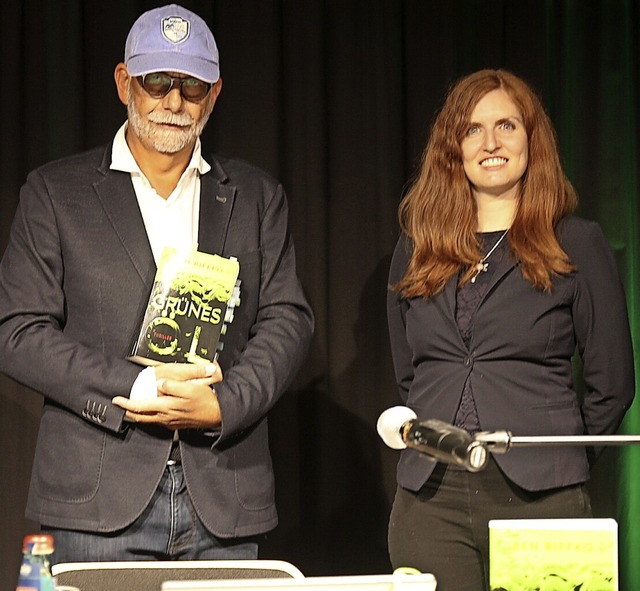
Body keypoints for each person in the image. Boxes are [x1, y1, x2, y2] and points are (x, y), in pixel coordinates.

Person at [0, 4, 313, 563]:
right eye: (156, 82)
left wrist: (225, 403)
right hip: (95, 505)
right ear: (125, 83)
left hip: (223, 496)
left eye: (190, 86)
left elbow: (288, 321)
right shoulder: (54, 193)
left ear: (214, 94)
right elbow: (18, 331)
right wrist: (133, 388)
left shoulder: (256, 196)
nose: (173, 102)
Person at [386, 69, 634, 590]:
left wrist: (559, 454)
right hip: (431, 502)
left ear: (531, 139)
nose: (491, 142)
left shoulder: (577, 242)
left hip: (544, 497)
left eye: (507, 126)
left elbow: (612, 384)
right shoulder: (416, 247)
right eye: (473, 129)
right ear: (453, 147)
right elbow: (409, 377)